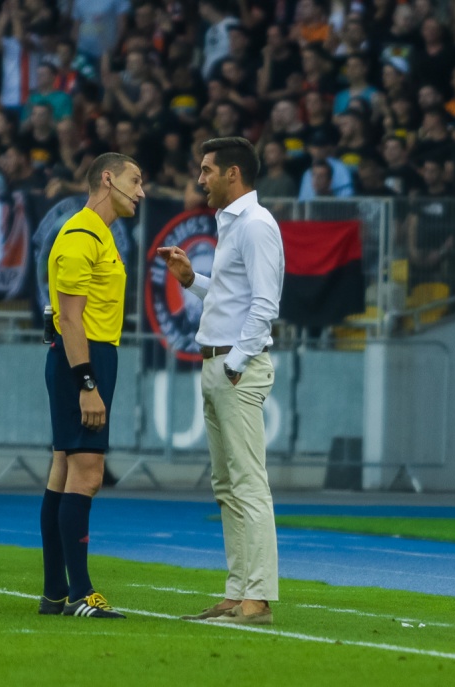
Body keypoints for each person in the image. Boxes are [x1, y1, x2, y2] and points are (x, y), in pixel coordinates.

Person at [158, 137, 284, 625]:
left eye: (207, 170)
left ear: (234, 173)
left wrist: (235, 363)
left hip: (234, 368)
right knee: (228, 486)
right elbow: (233, 296)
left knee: (248, 483)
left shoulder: (256, 224)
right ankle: (238, 592)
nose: (200, 180)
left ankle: (258, 597)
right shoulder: (233, 223)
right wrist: (191, 280)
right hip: (218, 364)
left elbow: (265, 304)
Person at [39, 152, 144, 619]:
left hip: (86, 355)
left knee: (64, 470)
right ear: (107, 179)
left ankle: (54, 593)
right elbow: (70, 318)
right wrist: (86, 382)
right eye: (134, 180)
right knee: (87, 474)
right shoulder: (81, 235)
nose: (141, 191)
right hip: (83, 359)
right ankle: (81, 593)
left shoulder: (97, 235)